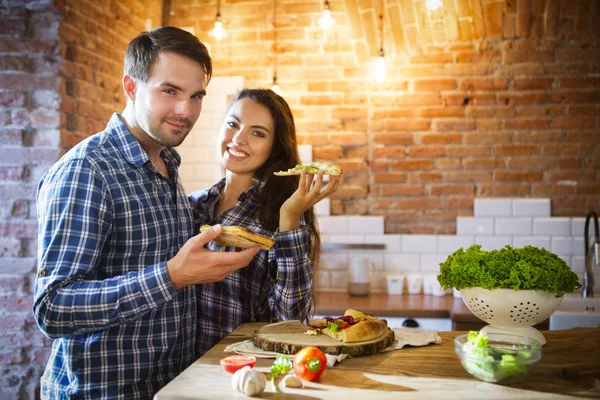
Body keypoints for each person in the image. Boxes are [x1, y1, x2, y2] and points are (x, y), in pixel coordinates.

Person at [33, 27, 260, 399]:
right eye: (169, 91)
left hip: (169, 387)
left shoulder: (167, 161)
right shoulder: (87, 171)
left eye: (196, 96)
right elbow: (53, 309)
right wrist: (173, 275)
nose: (185, 111)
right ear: (132, 87)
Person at [190, 88, 341, 356]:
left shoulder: (276, 217)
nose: (238, 138)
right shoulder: (190, 206)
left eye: (257, 133)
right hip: (179, 377)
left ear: (274, 149)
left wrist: (290, 218)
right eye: (232, 124)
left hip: (242, 373)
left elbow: (291, 323)